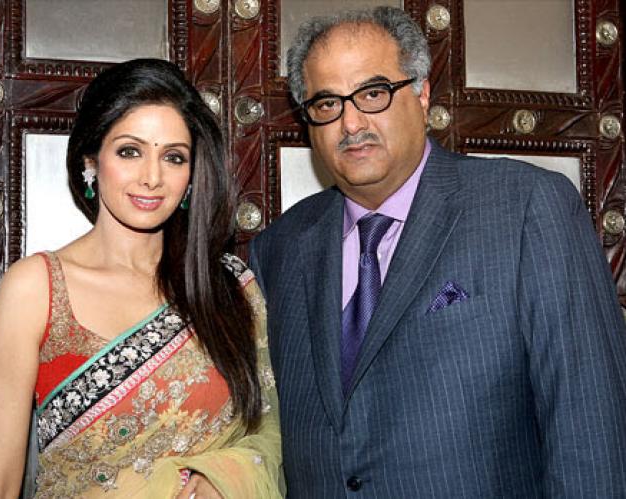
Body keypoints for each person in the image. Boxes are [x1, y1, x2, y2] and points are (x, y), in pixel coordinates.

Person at [249, 6, 626, 498]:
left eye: (373, 93)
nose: (351, 122)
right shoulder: (278, 249)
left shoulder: (525, 208)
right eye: (327, 103)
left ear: (422, 94)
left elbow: (591, 428)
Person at [0, 58, 282, 499]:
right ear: (91, 160)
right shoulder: (36, 288)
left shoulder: (229, 287)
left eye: (173, 157)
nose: (152, 178)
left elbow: (271, 435)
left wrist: (221, 479)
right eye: (129, 151)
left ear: (192, 175)